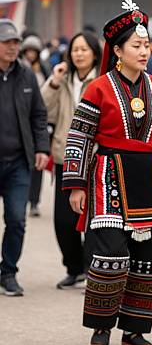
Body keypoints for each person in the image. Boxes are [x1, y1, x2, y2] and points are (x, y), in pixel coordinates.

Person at [62, 0, 152, 345]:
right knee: (110, 255)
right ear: (117, 50)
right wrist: (74, 184)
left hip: (149, 178)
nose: (144, 51)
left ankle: (134, 328)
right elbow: (79, 135)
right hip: (107, 176)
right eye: (136, 45)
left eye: (147, 45)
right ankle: (101, 326)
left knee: (148, 259)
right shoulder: (97, 89)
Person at [41, 31, 102, 289]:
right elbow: (44, 110)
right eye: (75, 49)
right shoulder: (63, 80)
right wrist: (53, 82)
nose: (78, 54)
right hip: (64, 157)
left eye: (84, 49)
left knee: (92, 219)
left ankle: (91, 269)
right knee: (63, 221)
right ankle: (73, 267)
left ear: (94, 53)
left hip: (95, 158)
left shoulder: (102, 80)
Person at [0, 19, 50, 296]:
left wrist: (41, 148)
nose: (12, 47)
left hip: (18, 162)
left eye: (15, 42)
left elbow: (38, 115)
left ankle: (8, 272)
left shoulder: (27, 76)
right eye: (7, 42)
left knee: (17, 219)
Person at [20, 34, 52, 218]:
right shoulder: (17, 69)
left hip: (39, 120)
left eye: (34, 51)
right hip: (21, 120)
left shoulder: (44, 69)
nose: (31, 55)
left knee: (38, 162)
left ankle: (34, 201)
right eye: (28, 51)